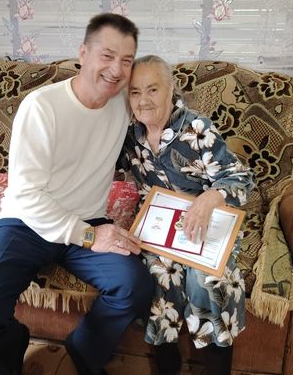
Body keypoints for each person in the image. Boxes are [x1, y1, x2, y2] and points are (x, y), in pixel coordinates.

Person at [0, 14, 155, 375]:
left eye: (127, 60)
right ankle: (12, 350)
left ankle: (85, 349)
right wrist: (90, 236)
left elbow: (170, 111)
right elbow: (26, 195)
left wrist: (212, 190)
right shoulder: (42, 106)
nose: (116, 70)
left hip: (87, 218)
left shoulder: (125, 101)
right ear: (83, 53)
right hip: (26, 223)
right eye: (107, 56)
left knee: (136, 286)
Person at [119, 55, 255, 375]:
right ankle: (167, 366)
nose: (143, 100)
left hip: (206, 219)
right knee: (154, 276)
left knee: (205, 280)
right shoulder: (130, 136)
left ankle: (216, 368)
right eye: (135, 92)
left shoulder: (196, 128)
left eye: (153, 90)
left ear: (171, 89)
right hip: (158, 225)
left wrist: (208, 199)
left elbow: (240, 178)